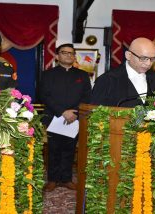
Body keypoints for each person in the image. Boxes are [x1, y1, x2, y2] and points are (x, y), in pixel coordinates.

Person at [40, 43, 92, 192]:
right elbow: (44, 95)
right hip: (54, 117)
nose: (69, 55)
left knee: (69, 149)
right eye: (64, 52)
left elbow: (87, 96)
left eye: (71, 53)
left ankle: (66, 179)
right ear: (57, 56)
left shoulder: (82, 75)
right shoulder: (48, 74)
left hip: (74, 119)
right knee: (54, 149)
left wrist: (74, 112)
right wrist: (62, 111)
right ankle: (52, 179)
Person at [91, 37, 155, 107]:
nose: (148, 63)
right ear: (128, 55)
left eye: (152, 59)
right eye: (143, 58)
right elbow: (95, 113)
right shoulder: (107, 80)